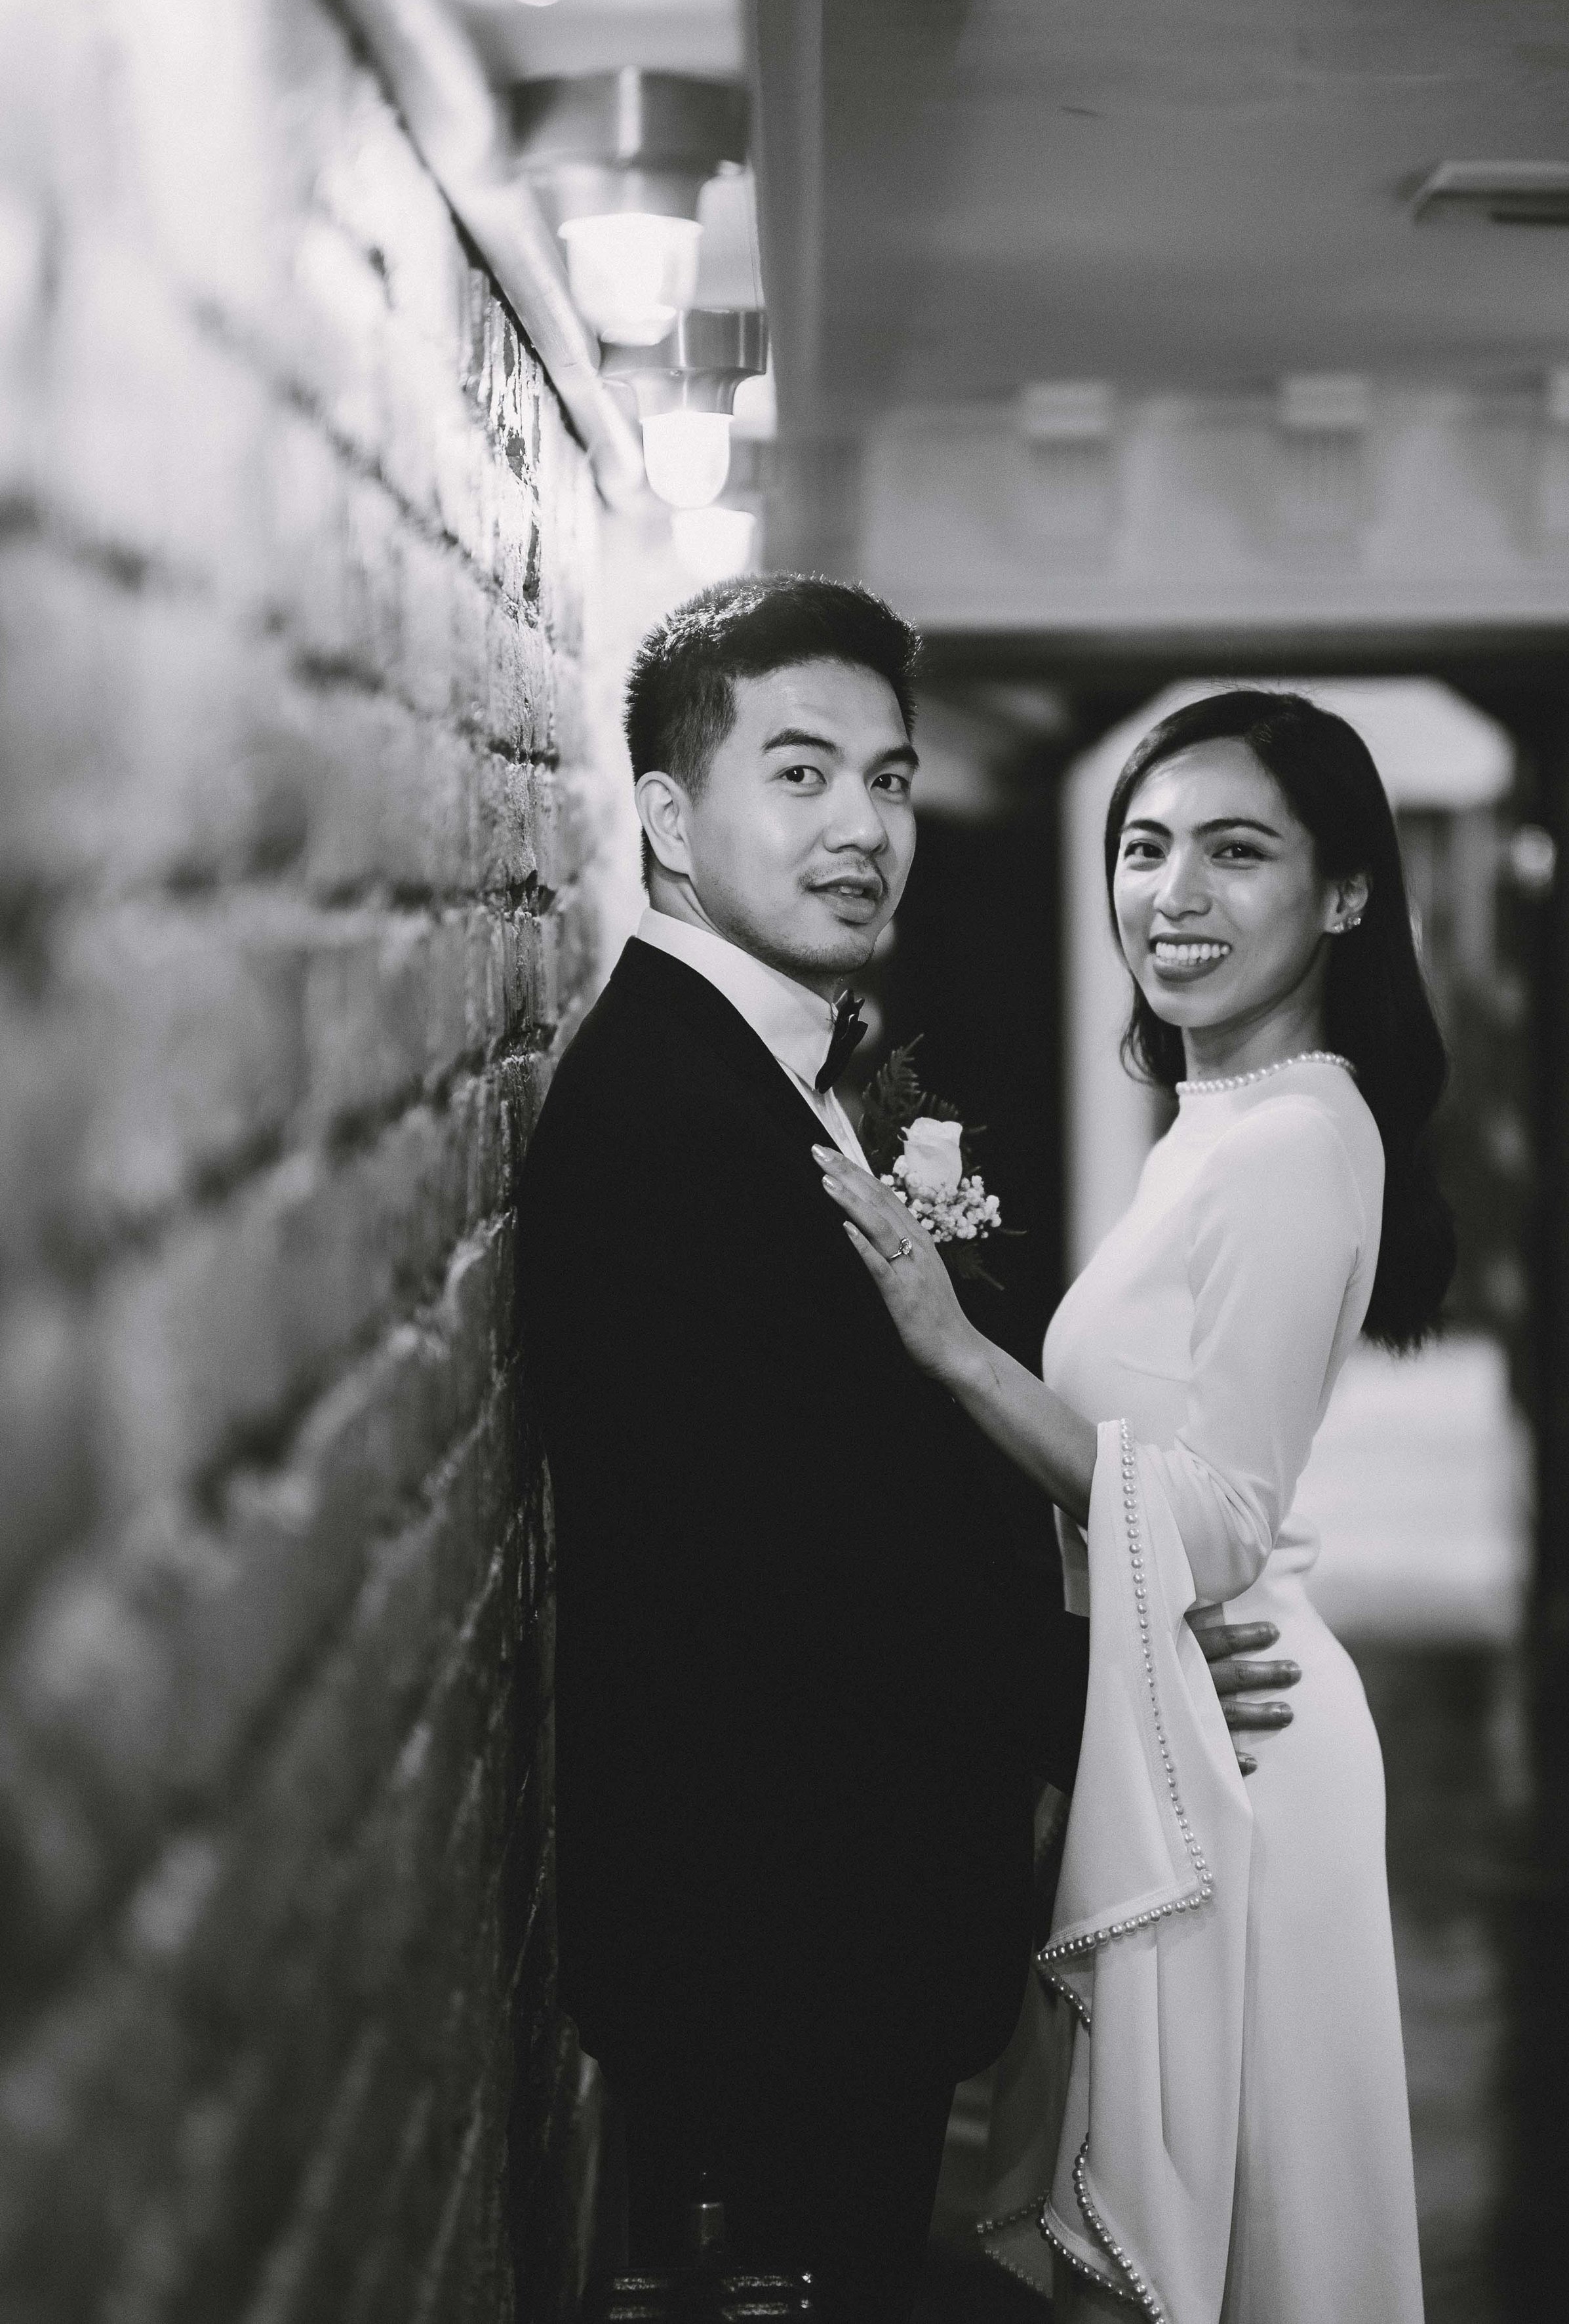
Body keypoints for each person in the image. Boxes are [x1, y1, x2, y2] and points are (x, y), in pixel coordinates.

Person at [515, 581, 1287, 2323]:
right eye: (799, 773)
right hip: (764, 1938)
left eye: (887, 779)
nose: (863, 826)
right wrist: (1137, 1673)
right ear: (664, 810)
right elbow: (815, 1573)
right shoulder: (670, 1113)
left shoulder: (754, 1064)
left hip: (817, 1920)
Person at [816, 689, 1452, 2324]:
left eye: (1235, 853)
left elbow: (1221, 1517)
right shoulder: (1222, 1123)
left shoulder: (1293, 1139)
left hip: (1233, 1758)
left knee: (1183, 2269)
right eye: (1143, 847)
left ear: (1344, 895)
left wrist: (953, 1355)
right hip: (1177, 1708)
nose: (1170, 894)